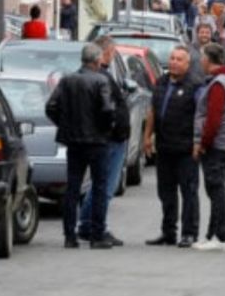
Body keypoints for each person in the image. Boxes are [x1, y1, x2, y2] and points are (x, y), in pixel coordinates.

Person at [45, 43, 116, 249]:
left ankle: (69, 235)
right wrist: (106, 129)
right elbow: (107, 110)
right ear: (97, 60)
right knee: (99, 186)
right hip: (97, 142)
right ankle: (97, 235)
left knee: (73, 188)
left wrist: (65, 125)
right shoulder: (101, 80)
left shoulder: (67, 80)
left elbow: (51, 106)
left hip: (74, 141)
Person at [143, 47, 203, 248]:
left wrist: (198, 142)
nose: (174, 62)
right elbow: (152, 110)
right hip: (164, 147)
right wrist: (147, 136)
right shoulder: (161, 82)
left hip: (186, 149)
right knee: (165, 192)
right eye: (172, 58)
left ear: (187, 64)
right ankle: (168, 232)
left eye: (179, 59)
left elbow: (201, 116)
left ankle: (189, 233)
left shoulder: (195, 85)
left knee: (189, 192)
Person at [77, 36, 132, 247]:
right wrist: (113, 128)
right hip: (111, 139)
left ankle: (87, 224)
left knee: (100, 185)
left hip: (108, 137)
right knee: (105, 186)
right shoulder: (101, 77)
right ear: (106, 53)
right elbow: (106, 109)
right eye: (112, 51)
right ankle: (95, 227)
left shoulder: (97, 75)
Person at [192, 44, 225, 251]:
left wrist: (203, 143)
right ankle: (211, 234)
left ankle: (220, 236)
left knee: (216, 188)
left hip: (217, 145)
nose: (200, 61)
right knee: (214, 188)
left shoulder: (219, 84)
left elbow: (213, 119)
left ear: (208, 59)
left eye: (202, 57)